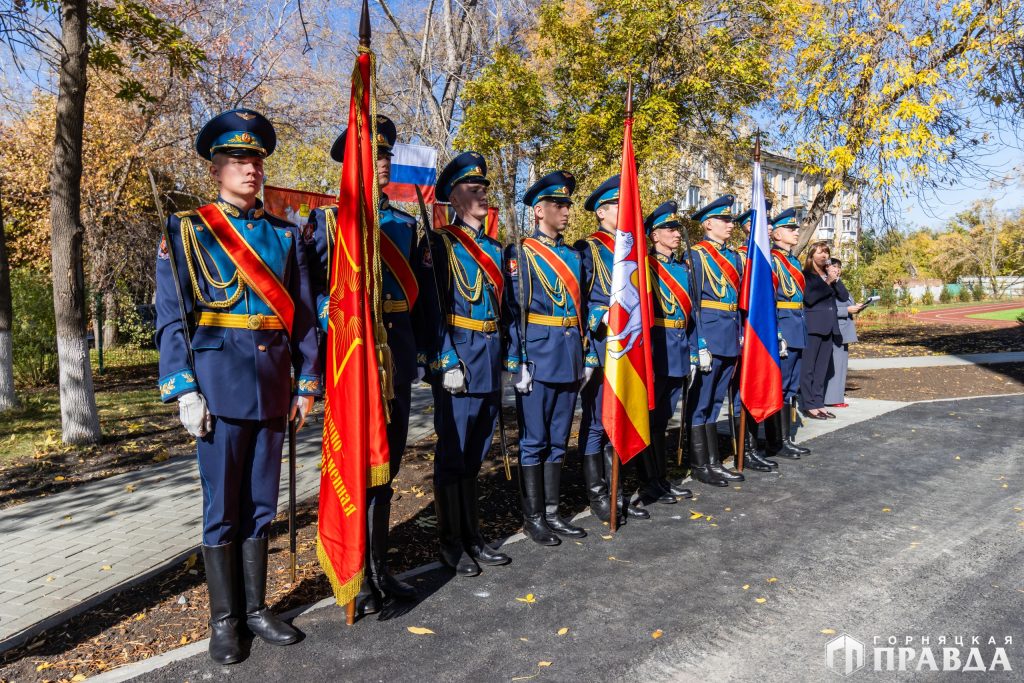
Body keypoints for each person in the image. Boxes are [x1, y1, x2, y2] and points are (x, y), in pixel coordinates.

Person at [155, 109, 320, 665]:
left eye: (257, 160)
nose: (252, 169)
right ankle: (224, 620)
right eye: (240, 160)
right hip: (217, 387)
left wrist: (307, 383)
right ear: (216, 168)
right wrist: (183, 390)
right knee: (221, 508)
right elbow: (173, 317)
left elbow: (301, 317)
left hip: (273, 386)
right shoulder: (187, 230)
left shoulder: (285, 234)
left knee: (260, 505)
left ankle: (255, 609)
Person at [307, 115, 418, 616]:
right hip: (353, 361)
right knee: (356, 470)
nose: (383, 163)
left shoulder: (405, 225)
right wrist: (327, 314)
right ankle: (355, 577)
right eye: (372, 156)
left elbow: (425, 300)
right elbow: (304, 288)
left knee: (387, 468)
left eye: (387, 155)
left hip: (395, 356)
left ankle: (379, 568)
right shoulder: (329, 223)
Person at [416, 151, 512, 577]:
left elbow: (505, 308)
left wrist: (511, 354)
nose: (482, 195)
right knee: (452, 455)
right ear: (453, 198)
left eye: (484, 189)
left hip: (488, 358)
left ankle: (473, 535)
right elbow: (430, 310)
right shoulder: (437, 243)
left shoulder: (495, 247)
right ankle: (450, 543)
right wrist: (444, 358)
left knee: (475, 454)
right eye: (472, 190)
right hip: (459, 360)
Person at [505, 171, 587, 545]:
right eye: (559, 205)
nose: (566, 210)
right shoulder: (520, 252)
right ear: (539, 210)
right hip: (537, 355)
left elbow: (583, 307)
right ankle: (533, 517)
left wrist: (585, 353)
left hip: (569, 354)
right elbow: (513, 310)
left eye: (568, 204)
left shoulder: (573, 255)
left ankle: (554, 513)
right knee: (534, 440)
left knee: (558, 439)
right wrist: (517, 358)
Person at [574, 175, 649, 523]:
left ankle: (619, 490)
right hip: (603, 344)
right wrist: (599, 315)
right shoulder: (587, 249)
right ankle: (598, 495)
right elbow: (577, 300)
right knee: (595, 423)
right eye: (619, 205)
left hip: (630, 345)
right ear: (602, 212)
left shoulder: (633, 248)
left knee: (623, 416)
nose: (626, 209)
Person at [643, 201, 707, 502]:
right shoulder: (644, 267)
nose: (676, 233)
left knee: (665, 419)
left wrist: (695, 351)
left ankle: (661, 478)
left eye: (677, 228)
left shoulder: (682, 268)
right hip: (656, 351)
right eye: (670, 229)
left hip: (679, 349)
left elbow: (691, 314)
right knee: (651, 420)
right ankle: (649, 480)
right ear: (654, 235)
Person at [686, 194, 742, 487]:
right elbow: (692, 304)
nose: (730, 224)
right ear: (708, 224)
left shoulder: (733, 257)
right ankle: (699, 464)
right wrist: (699, 344)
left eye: (731, 220)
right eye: (724, 220)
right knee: (701, 402)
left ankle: (712, 461)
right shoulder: (695, 256)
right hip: (709, 335)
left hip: (730, 335)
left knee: (716, 401)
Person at [727, 205, 780, 473]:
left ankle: (752, 447)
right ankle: (743, 450)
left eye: (770, 222)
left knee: (757, 387)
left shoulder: (763, 258)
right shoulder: (742, 257)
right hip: (745, 333)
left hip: (761, 334)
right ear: (749, 226)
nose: (769, 227)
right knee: (742, 393)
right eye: (764, 222)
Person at [765, 209, 810, 458]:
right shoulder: (772, 260)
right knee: (780, 387)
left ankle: (785, 438)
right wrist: (778, 332)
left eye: (796, 228)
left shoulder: (793, 261)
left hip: (797, 325)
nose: (796, 232)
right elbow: (770, 300)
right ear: (778, 233)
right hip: (784, 325)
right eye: (791, 229)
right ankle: (775, 442)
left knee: (791, 387)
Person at [800, 241, 841, 419]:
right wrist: (828, 283)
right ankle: (808, 404)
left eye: (826, 252)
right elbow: (809, 298)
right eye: (819, 253)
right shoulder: (806, 276)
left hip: (829, 326)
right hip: (813, 326)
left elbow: (844, 296)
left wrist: (835, 279)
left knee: (821, 369)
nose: (824, 256)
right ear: (811, 257)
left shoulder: (829, 274)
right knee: (808, 368)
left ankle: (819, 402)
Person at [824, 258, 863, 407]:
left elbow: (845, 299)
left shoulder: (838, 283)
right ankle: (832, 399)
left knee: (841, 365)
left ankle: (836, 396)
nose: (837, 270)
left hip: (843, 328)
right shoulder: (825, 283)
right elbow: (824, 307)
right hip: (834, 328)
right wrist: (846, 310)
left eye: (839, 267)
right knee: (835, 365)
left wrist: (857, 306)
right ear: (826, 268)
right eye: (833, 267)